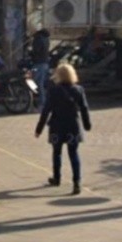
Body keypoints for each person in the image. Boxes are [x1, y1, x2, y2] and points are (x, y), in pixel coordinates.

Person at [34, 63, 92, 195]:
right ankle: (77, 182)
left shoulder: (53, 91)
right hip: (73, 125)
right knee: (73, 153)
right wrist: (87, 124)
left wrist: (39, 128)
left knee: (57, 152)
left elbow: (46, 111)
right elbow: (84, 108)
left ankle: (57, 177)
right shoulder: (79, 89)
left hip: (57, 126)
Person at [29, 28, 51, 112]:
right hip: (45, 63)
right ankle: (41, 101)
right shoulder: (46, 40)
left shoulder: (38, 39)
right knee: (41, 83)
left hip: (38, 63)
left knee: (34, 83)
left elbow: (36, 51)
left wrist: (31, 53)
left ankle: (41, 103)